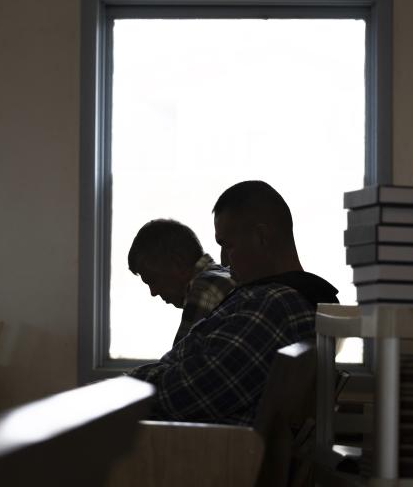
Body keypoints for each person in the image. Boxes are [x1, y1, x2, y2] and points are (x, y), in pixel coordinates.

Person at [128, 180, 338, 425]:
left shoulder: (272, 305)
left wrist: (124, 386)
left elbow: (196, 391)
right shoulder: (281, 298)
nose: (224, 260)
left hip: (209, 451)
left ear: (261, 237)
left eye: (227, 245)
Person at [128, 219, 236, 345]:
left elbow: (180, 362)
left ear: (179, 264)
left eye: (153, 280)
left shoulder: (205, 288)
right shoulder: (222, 276)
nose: (153, 292)